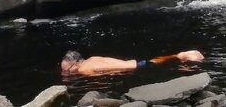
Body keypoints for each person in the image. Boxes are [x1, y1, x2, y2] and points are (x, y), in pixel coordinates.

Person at [61, 50, 205, 77]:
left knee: (165, 60)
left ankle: (181, 55)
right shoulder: (92, 58)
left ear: (77, 63)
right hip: (135, 62)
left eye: (67, 70)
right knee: (155, 60)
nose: (65, 73)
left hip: (135, 68)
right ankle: (179, 55)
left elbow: (108, 73)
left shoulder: (83, 71)